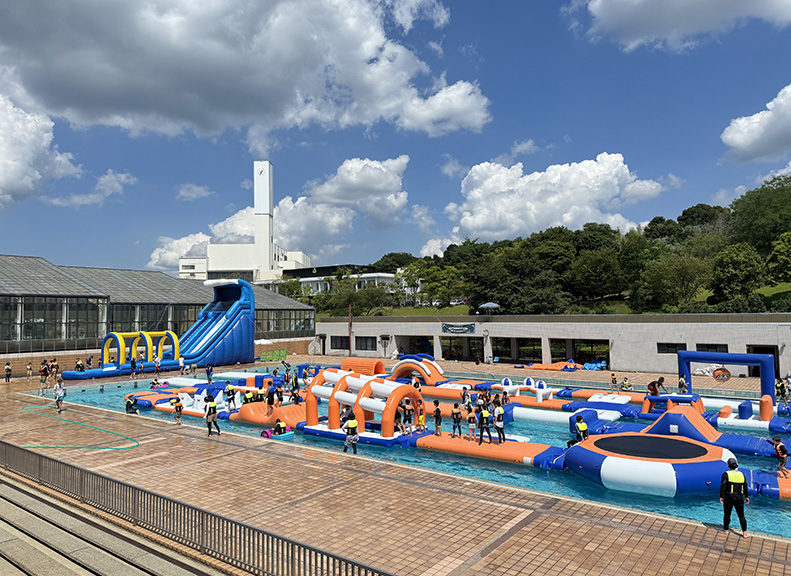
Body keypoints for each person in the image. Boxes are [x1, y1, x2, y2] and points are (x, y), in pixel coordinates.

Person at [720, 457, 749, 537]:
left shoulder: (726, 474)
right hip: (739, 497)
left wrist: (721, 496)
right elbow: (745, 486)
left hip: (729, 497)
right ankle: (745, 533)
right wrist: (746, 496)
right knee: (741, 515)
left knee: (727, 514)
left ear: (728, 465)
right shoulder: (741, 474)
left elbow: (723, 486)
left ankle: (726, 530)